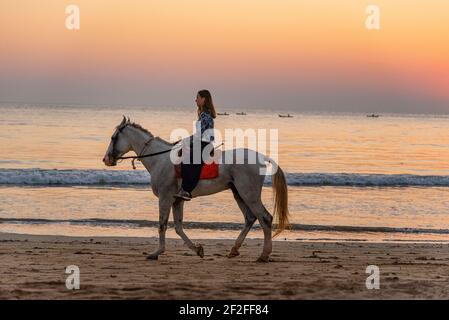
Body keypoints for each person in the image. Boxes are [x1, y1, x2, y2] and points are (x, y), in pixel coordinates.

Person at [173, 89, 216, 201]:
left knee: (187, 160)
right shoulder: (204, 114)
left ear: (203, 99)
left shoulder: (204, 115)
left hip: (204, 144)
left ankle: (186, 190)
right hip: (203, 143)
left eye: (197, 97)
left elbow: (199, 135)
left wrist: (185, 141)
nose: (195, 100)